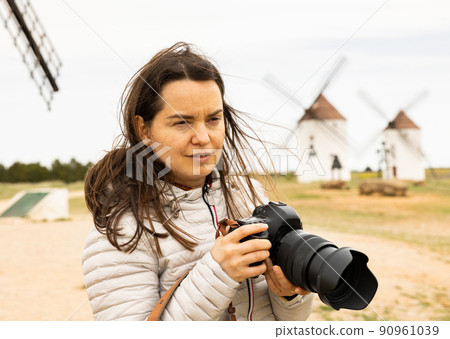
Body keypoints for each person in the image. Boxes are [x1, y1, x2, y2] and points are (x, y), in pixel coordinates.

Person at [82, 42, 314, 321]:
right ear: (144, 129)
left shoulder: (250, 196)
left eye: (214, 119)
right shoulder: (123, 229)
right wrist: (219, 273)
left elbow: (288, 323)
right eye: (182, 122)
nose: (203, 137)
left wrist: (289, 295)